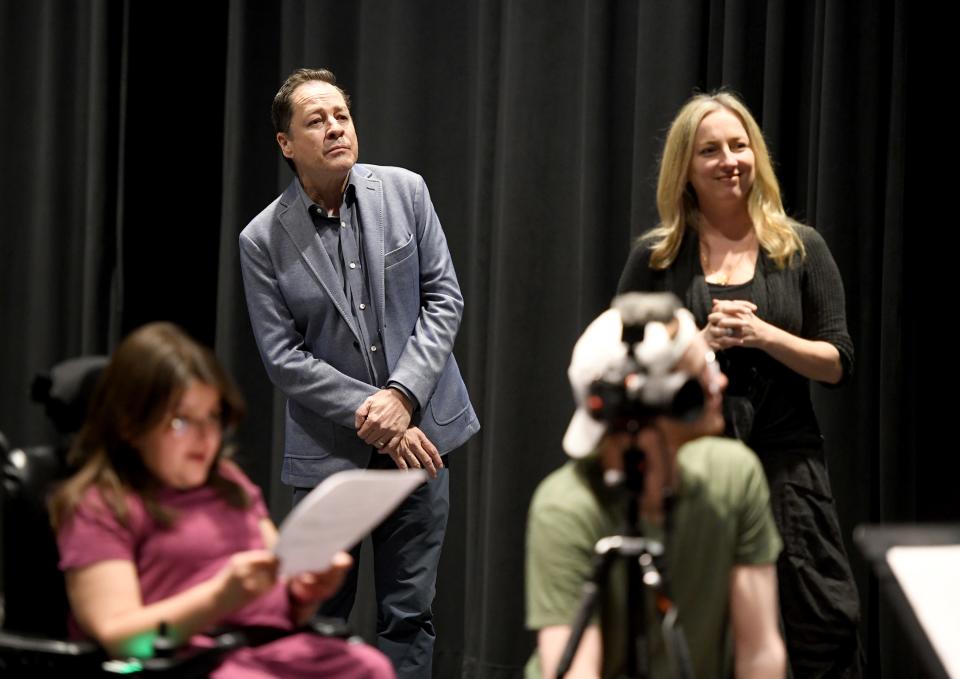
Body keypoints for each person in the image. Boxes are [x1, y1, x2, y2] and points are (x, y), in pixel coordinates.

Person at [238, 67, 479, 677]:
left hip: (422, 439)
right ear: (286, 144)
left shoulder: (406, 191)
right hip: (330, 454)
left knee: (409, 614)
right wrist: (376, 413)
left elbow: (444, 298)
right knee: (320, 616)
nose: (334, 128)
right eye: (315, 121)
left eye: (340, 116)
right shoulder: (262, 239)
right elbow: (283, 357)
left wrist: (402, 395)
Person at [617, 91, 861, 676]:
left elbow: (838, 362)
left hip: (788, 473)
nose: (729, 160)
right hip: (689, 472)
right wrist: (698, 344)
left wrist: (764, 335)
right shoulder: (656, 258)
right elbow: (621, 369)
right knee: (695, 630)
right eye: (710, 150)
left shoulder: (800, 249)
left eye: (738, 144)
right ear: (685, 168)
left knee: (818, 625)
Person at [50, 322, 394, 678]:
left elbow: (276, 602)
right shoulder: (100, 504)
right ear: (130, 425)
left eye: (213, 417)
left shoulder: (230, 483)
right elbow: (119, 637)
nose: (205, 437)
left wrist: (301, 595)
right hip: (181, 663)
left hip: (260, 651)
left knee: (369, 666)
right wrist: (219, 598)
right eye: (181, 421)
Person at [526, 292, 785, 679]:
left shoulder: (734, 476)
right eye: (705, 371)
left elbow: (761, 653)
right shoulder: (566, 507)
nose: (721, 380)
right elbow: (575, 672)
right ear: (669, 399)